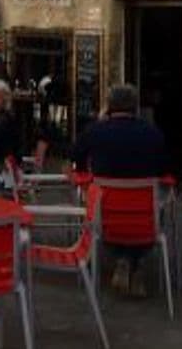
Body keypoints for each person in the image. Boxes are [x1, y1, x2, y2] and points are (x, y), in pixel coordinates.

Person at [69, 84, 167, 296]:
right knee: (159, 209)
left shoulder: (95, 131)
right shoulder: (153, 133)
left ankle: (123, 258)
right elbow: (163, 170)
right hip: (145, 220)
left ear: (108, 106)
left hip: (105, 217)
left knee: (101, 208)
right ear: (135, 107)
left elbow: (77, 160)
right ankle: (136, 263)